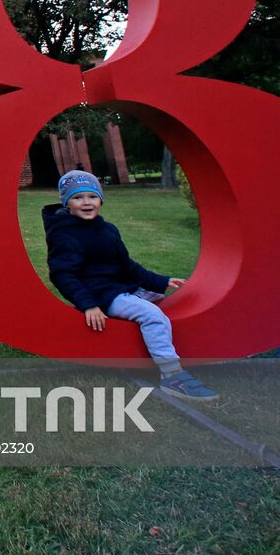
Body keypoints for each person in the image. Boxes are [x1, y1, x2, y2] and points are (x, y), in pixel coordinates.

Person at [43, 169, 218, 401]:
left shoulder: (107, 229)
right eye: (77, 197)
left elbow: (127, 266)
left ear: (101, 199)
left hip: (122, 287)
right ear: (66, 203)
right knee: (152, 316)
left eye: (92, 196)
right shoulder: (64, 235)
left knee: (168, 302)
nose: (86, 202)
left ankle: (198, 347)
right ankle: (172, 376)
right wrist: (89, 305)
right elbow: (63, 275)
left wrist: (161, 281)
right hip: (102, 295)